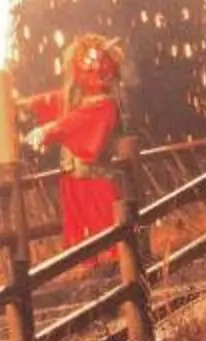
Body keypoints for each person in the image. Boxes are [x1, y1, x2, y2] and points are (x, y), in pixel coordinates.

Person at [17, 32, 125, 267]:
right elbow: (56, 101)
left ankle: (116, 272)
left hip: (95, 180)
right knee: (85, 240)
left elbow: (76, 122)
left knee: (107, 232)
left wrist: (48, 130)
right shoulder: (79, 99)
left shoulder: (105, 104)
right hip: (75, 181)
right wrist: (27, 105)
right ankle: (95, 272)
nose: (96, 73)